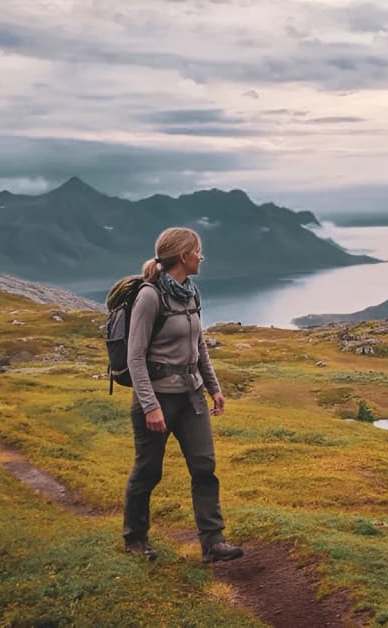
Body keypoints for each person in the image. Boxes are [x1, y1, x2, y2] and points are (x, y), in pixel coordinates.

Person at [122, 227, 243, 563]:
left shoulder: (191, 293)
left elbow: (198, 345)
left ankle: (213, 542)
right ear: (182, 256)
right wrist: (150, 406)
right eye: (197, 251)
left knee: (204, 466)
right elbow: (135, 357)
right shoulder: (150, 296)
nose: (201, 256)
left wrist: (214, 387)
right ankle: (135, 540)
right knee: (148, 471)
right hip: (158, 399)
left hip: (191, 397)